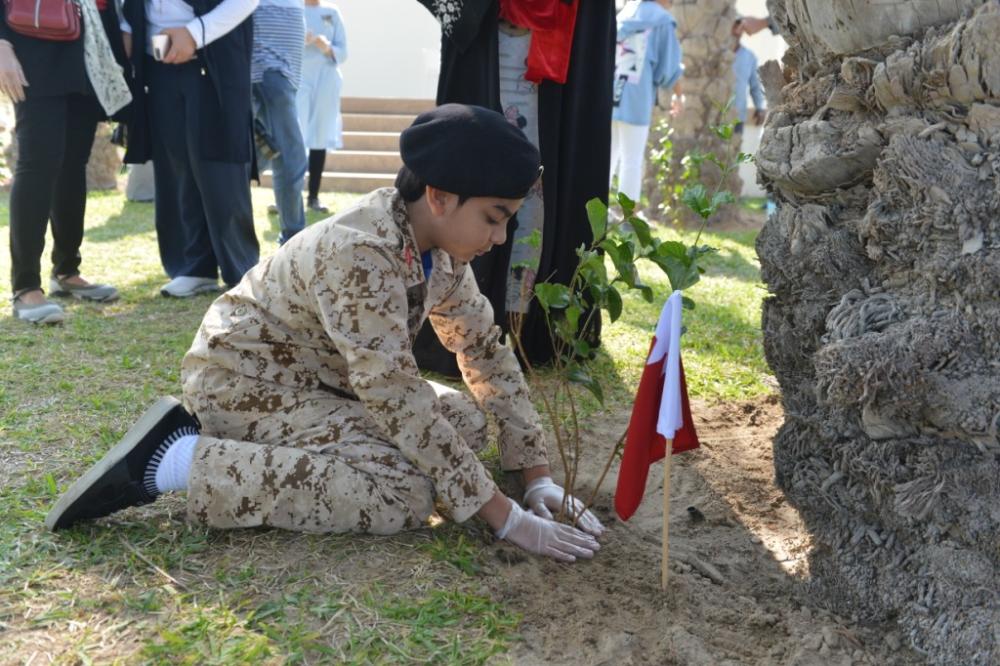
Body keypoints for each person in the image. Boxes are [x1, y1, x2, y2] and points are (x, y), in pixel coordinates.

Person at [45, 104, 605, 564]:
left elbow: (483, 350)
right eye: (494, 216)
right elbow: (395, 399)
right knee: (402, 495)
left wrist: (535, 479)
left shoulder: (441, 250)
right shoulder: (361, 253)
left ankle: (226, 450)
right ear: (438, 197)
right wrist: (506, 519)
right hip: (244, 382)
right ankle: (178, 460)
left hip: (320, 382)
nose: (502, 236)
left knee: (463, 419)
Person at [411, 0, 617, 373]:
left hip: (567, 34)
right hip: (490, 34)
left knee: (545, 188)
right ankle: (458, 325)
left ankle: (536, 327)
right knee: (477, 174)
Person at [120, 0, 262, 298]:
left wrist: (196, 32)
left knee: (220, 165)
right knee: (175, 166)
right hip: (155, 62)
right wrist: (126, 27)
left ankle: (241, 269)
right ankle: (194, 267)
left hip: (214, 58)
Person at [2, 0, 131, 323]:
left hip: (88, 49)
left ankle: (66, 271)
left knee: (74, 165)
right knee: (37, 164)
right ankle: (26, 286)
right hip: (32, 46)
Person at [609, 0, 684, 205]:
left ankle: (596, 216)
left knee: (607, 158)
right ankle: (627, 219)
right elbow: (669, 68)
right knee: (631, 161)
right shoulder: (663, 21)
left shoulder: (625, 13)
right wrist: (678, 95)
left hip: (610, 93)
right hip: (637, 99)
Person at [252, 0, 307, 244]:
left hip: (281, 70)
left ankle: (214, 227)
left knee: (261, 155)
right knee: (291, 158)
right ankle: (293, 237)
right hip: (267, 68)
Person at [297, 0, 346, 215]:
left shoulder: (332, 12)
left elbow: (343, 51)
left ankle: (313, 196)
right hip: (299, 78)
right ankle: (289, 195)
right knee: (295, 135)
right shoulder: (294, 8)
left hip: (326, 79)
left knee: (319, 135)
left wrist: (326, 47)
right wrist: (302, 40)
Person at [730, 19, 765, 134]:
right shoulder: (717, 53)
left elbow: (755, 85)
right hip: (715, 117)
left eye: (739, 27)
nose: (736, 31)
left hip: (737, 117)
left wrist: (759, 107)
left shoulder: (749, 57)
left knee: (732, 151)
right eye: (734, 26)